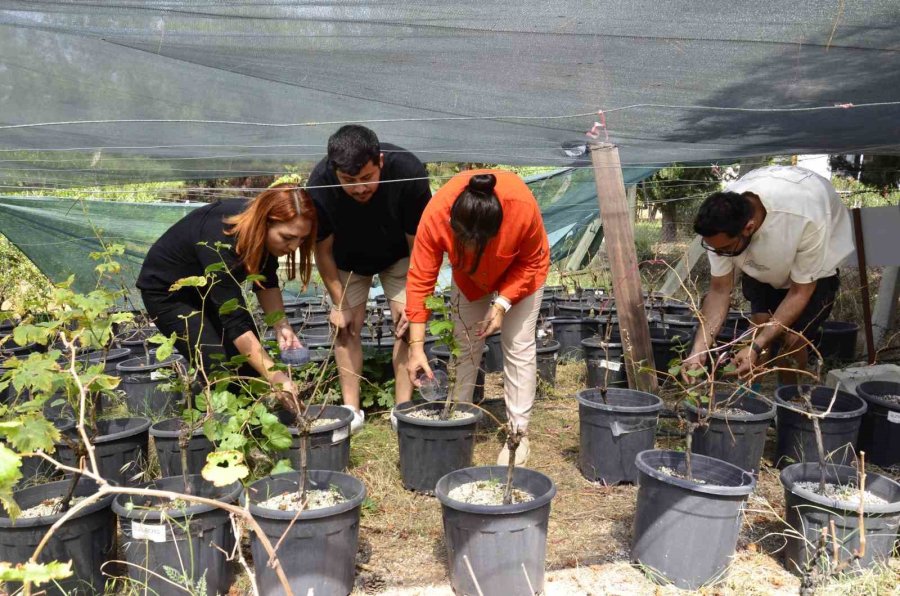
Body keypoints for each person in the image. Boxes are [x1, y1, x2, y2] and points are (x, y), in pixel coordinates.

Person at [405, 170, 550, 465]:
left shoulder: (520, 205)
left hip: (520, 275)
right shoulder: (435, 215)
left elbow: (532, 261)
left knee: (518, 344)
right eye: (464, 241)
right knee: (464, 343)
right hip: (468, 280)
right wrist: (416, 346)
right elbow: (421, 278)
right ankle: (460, 416)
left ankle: (517, 435)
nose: (471, 248)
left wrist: (501, 304)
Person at [137, 184, 316, 407]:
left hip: (208, 289)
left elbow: (266, 280)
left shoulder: (260, 235)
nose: (294, 246)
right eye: (288, 237)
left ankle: (251, 427)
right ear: (266, 221)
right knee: (217, 363)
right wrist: (277, 377)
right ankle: (220, 429)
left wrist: (282, 326)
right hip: (169, 294)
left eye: (301, 239)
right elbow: (236, 323)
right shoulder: (220, 239)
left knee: (248, 365)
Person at [307, 125, 431, 433]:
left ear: (380, 162)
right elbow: (322, 251)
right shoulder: (319, 184)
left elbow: (420, 246)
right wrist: (339, 303)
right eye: (349, 182)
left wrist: (414, 302)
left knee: (407, 323)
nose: (359, 188)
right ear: (335, 172)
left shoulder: (409, 171)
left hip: (401, 255)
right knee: (345, 327)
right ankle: (352, 411)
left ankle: (401, 409)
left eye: (366, 178)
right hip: (346, 259)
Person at [682, 165, 854, 384]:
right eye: (712, 247)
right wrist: (699, 350)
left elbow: (800, 292)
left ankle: (789, 400)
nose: (718, 254)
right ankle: (749, 399)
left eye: (724, 248)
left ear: (749, 228)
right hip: (763, 260)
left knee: (792, 340)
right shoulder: (722, 224)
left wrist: (755, 346)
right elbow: (719, 290)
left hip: (815, 269)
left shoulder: (805, 217)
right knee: (759, 325)